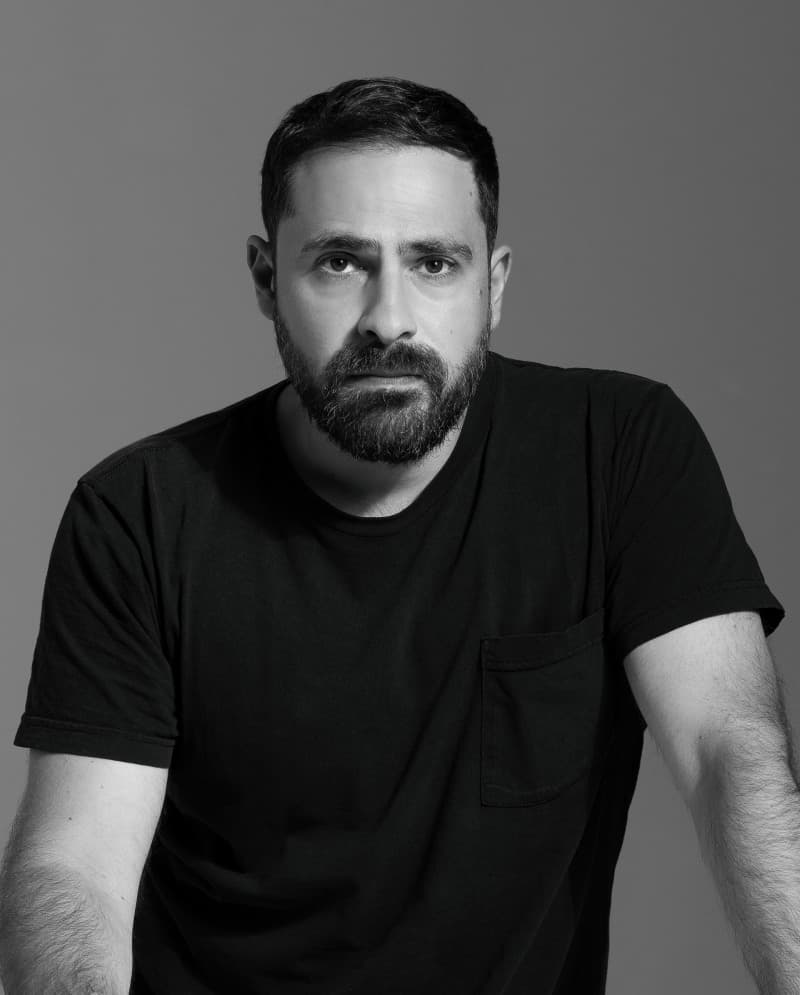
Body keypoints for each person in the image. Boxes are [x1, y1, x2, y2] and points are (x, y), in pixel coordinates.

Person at [0, 76, 792, 995]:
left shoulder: (619, 452)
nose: (389, 318)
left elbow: (730, 754)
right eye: (340, 262)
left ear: (494, 283)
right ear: (266, 279)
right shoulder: (139, 513)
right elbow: (74, 870)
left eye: (435, 263)